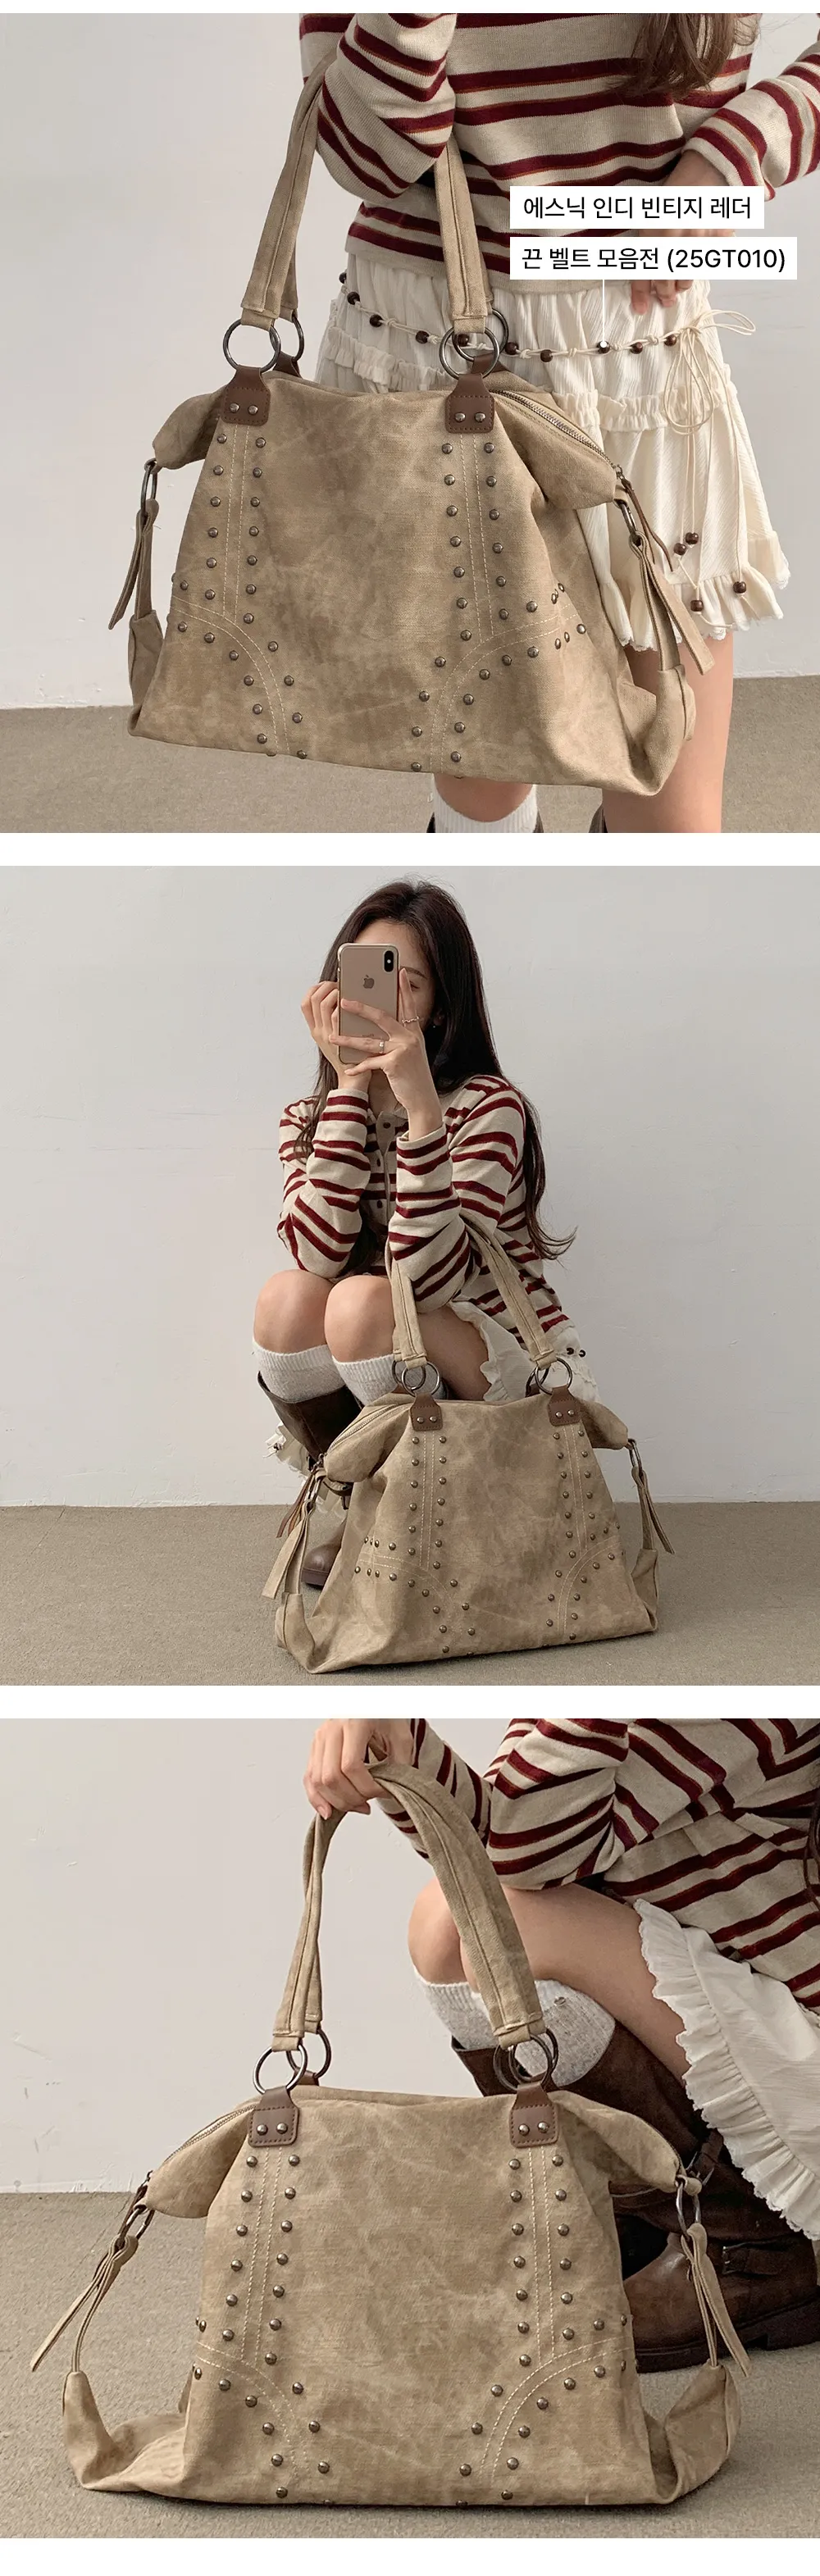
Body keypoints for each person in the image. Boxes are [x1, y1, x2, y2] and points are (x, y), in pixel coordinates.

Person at [299, 11, 820, 834]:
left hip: (634, 348)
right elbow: (365, 158)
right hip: (436, 348)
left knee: (673, 829)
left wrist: (736, 153)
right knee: (485, 806)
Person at [302, 1714, 820, 2369]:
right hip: (738, 1996)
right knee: (447, 1924)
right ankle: (640, 2215)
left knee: (507, 1929)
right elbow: (494, 1854)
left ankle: (749, 2243)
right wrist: (397, 1746)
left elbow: (528, 1858)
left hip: (797, 2047)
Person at [253, 876, 597, 1584]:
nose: (382, 1002)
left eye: (407, 984)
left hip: (490, 1351)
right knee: (288, 1299)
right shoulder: (305, 1119)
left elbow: (428, 1280)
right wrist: (350, 1089)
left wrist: (420, 1113)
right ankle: (365, 1499)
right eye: (368, 978)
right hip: (382, 1341)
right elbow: (317, 1255)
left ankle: (411, 1514)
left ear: (440, 1008)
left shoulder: (488, 1107)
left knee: (363, 1300)